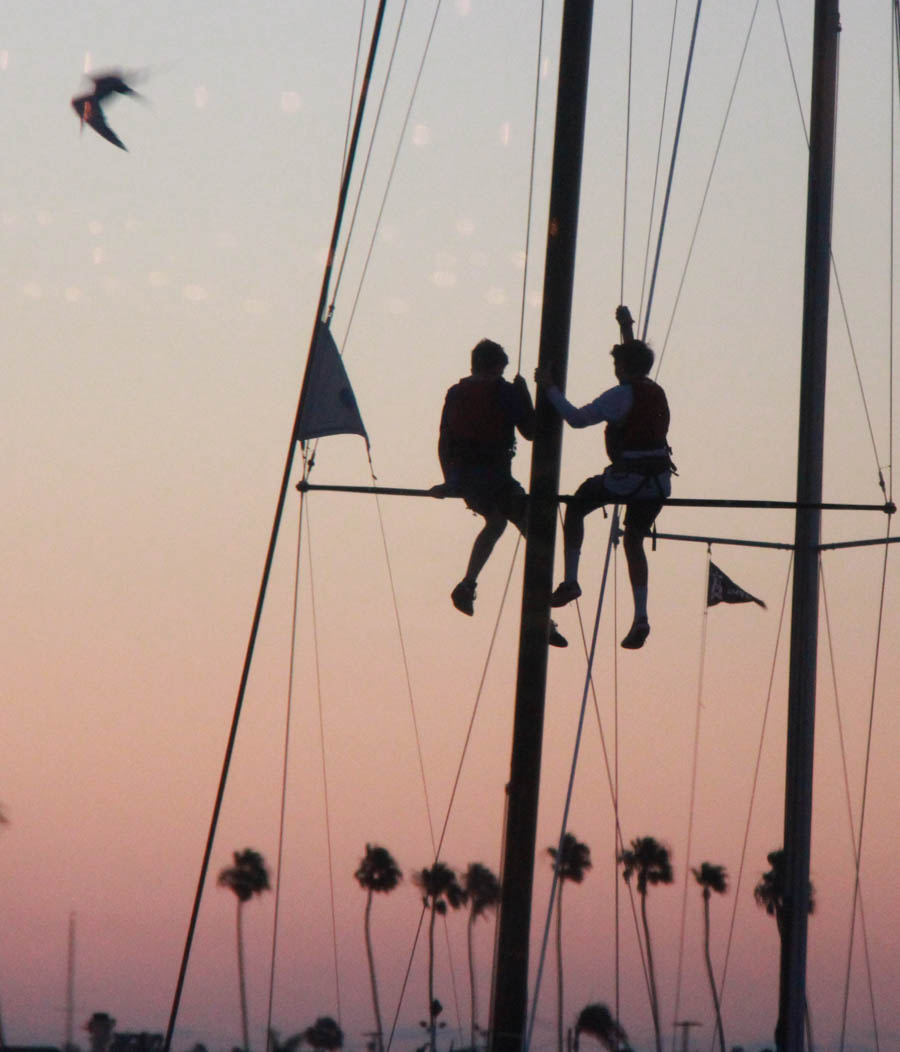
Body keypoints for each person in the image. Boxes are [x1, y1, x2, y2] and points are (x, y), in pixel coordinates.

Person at [535, 307, 673, 649]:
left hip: (629, 477)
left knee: (579, 502)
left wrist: (549, 388)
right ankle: (641, 615)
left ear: (622, 368)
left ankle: (571, 580)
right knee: (634, 540)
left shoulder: (619, 396)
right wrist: (626, 327)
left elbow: (578, 419)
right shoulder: (653, 389)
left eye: (616, 366)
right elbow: (634, 358)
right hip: (658, 481)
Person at [436, 338, 568, 648]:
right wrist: (525, 393)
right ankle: (539, 614)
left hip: (467, 476)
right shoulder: (504, 391)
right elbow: (533, 432)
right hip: (495, 476)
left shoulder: (456, 393)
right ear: (499, 366)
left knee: (496, 523)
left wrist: (448, 480)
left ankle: (469, 585)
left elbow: (443, 440)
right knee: (535, 533)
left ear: (474, 364)